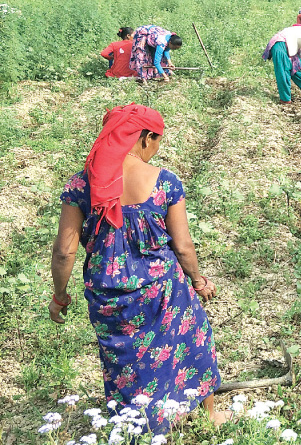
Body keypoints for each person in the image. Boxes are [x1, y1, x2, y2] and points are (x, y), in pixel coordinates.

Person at [48, 104, 225, 432]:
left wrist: (60, 295)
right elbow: (183, 246)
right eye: (157, 140)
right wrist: (198, 281)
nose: (157, 148)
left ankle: (139, 429)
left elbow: (63, 251)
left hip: (110, 298)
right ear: (145, 138)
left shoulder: (80, 185)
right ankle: (208, 415)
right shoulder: (164, 182)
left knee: (127, 366)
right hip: (163, 291)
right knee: (193, 338)